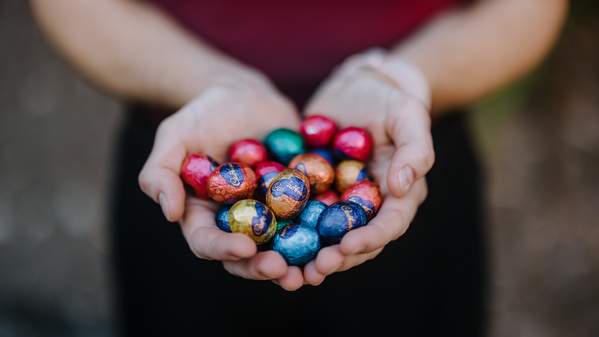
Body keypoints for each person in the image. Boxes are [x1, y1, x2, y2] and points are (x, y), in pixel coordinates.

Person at [31, 0, 567, 336]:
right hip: (188, 145)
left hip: (402, 147)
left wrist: (400, 79)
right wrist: (206, 79)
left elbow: (525, 9)